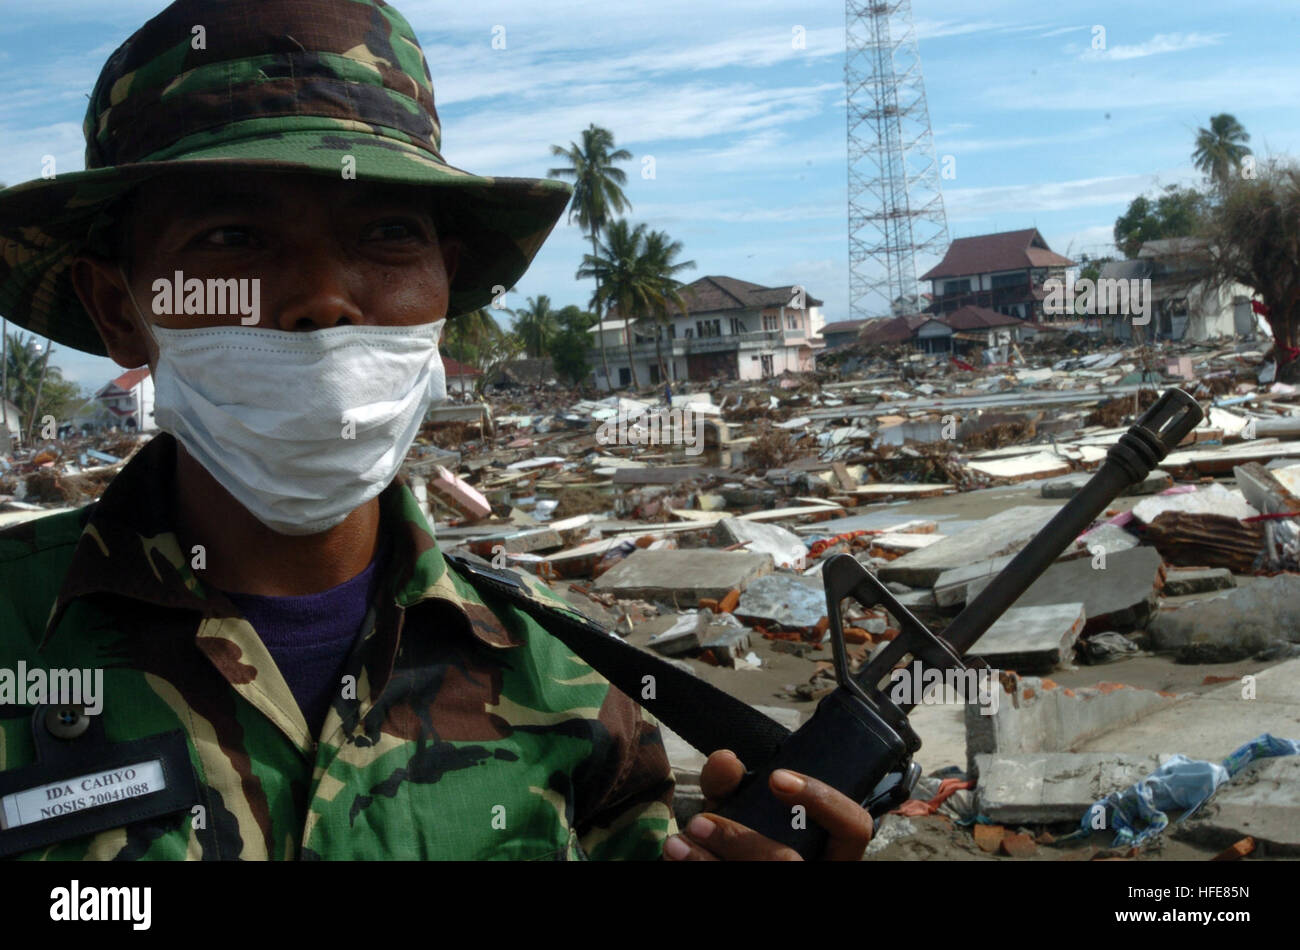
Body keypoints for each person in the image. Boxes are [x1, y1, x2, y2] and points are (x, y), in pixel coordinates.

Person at [0, 0, 872, 861]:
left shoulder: (567, 681)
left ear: (444, 290)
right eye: (235, 236)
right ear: (119, 308)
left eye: (386, 234)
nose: (324, 299)